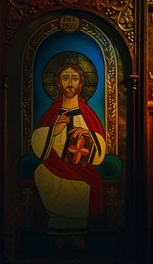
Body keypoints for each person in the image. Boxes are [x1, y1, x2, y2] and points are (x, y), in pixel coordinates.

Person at [31, 63, 107, 248]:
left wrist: (88, 136)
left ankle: (78, 232)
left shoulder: (87, 113)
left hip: (81, 168)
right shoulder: (53, 112)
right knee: (41, 173)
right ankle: (59, 230)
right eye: (65, 78)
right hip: (54, 165)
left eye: (75, 79)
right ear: (58, 83)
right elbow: (38, 144)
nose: (70, 83)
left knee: (81, 185)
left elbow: (99, 148)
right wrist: (54, 131)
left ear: (81, 84)